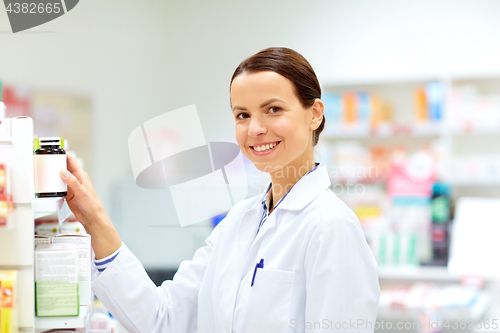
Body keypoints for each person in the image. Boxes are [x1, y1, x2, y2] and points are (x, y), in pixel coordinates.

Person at [60, 47, 380, 333]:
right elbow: (162, 319)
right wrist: (94, 220)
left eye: (273, 109)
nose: (255, 128)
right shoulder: (238, 222)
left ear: (315, 114)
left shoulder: (332, 227)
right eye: (243, 115)